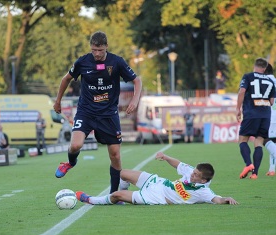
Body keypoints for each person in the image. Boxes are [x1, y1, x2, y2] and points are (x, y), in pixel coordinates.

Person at [53, 31, 142, 193]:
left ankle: (114, 193)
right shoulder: (83, 62)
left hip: (108, 114)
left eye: (100, 50)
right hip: (86, 112)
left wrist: (134, 100)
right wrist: (58, 100)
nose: (97, 54)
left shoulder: (117, 62)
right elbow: (65, 79)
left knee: (115, 155)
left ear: (106, 47)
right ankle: (70, 163)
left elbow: (137, 80)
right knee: (75, 145)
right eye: (94, 50)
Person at [76, 151, 238, 205]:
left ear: (203, 180)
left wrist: (226, 199)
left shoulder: (204, 191)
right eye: (194, 171)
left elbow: (216, 199)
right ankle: (118, 201)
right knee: (123, 173)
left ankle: (91, 199)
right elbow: (179, 164)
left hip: (156, 196)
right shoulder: (192, 172)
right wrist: (166, 157)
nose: (192, 174)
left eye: (196, 175)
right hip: (158, 182)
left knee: (116, 194)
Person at [237, 58, 276, 179]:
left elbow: (242, 92)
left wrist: (238, 109)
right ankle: (255, 173)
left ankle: (248, 164)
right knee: (259, 142)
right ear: (264, 68)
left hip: (251, 113)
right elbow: (271, 101)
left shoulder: (248, 76)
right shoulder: (271, 81)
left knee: (243, 140)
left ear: (255, 66)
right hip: (266, 115)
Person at [263, 63, 276, 176]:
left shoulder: (265, 83)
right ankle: (272, 169)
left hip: (270, 116)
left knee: (264, 139)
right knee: (273, 142)